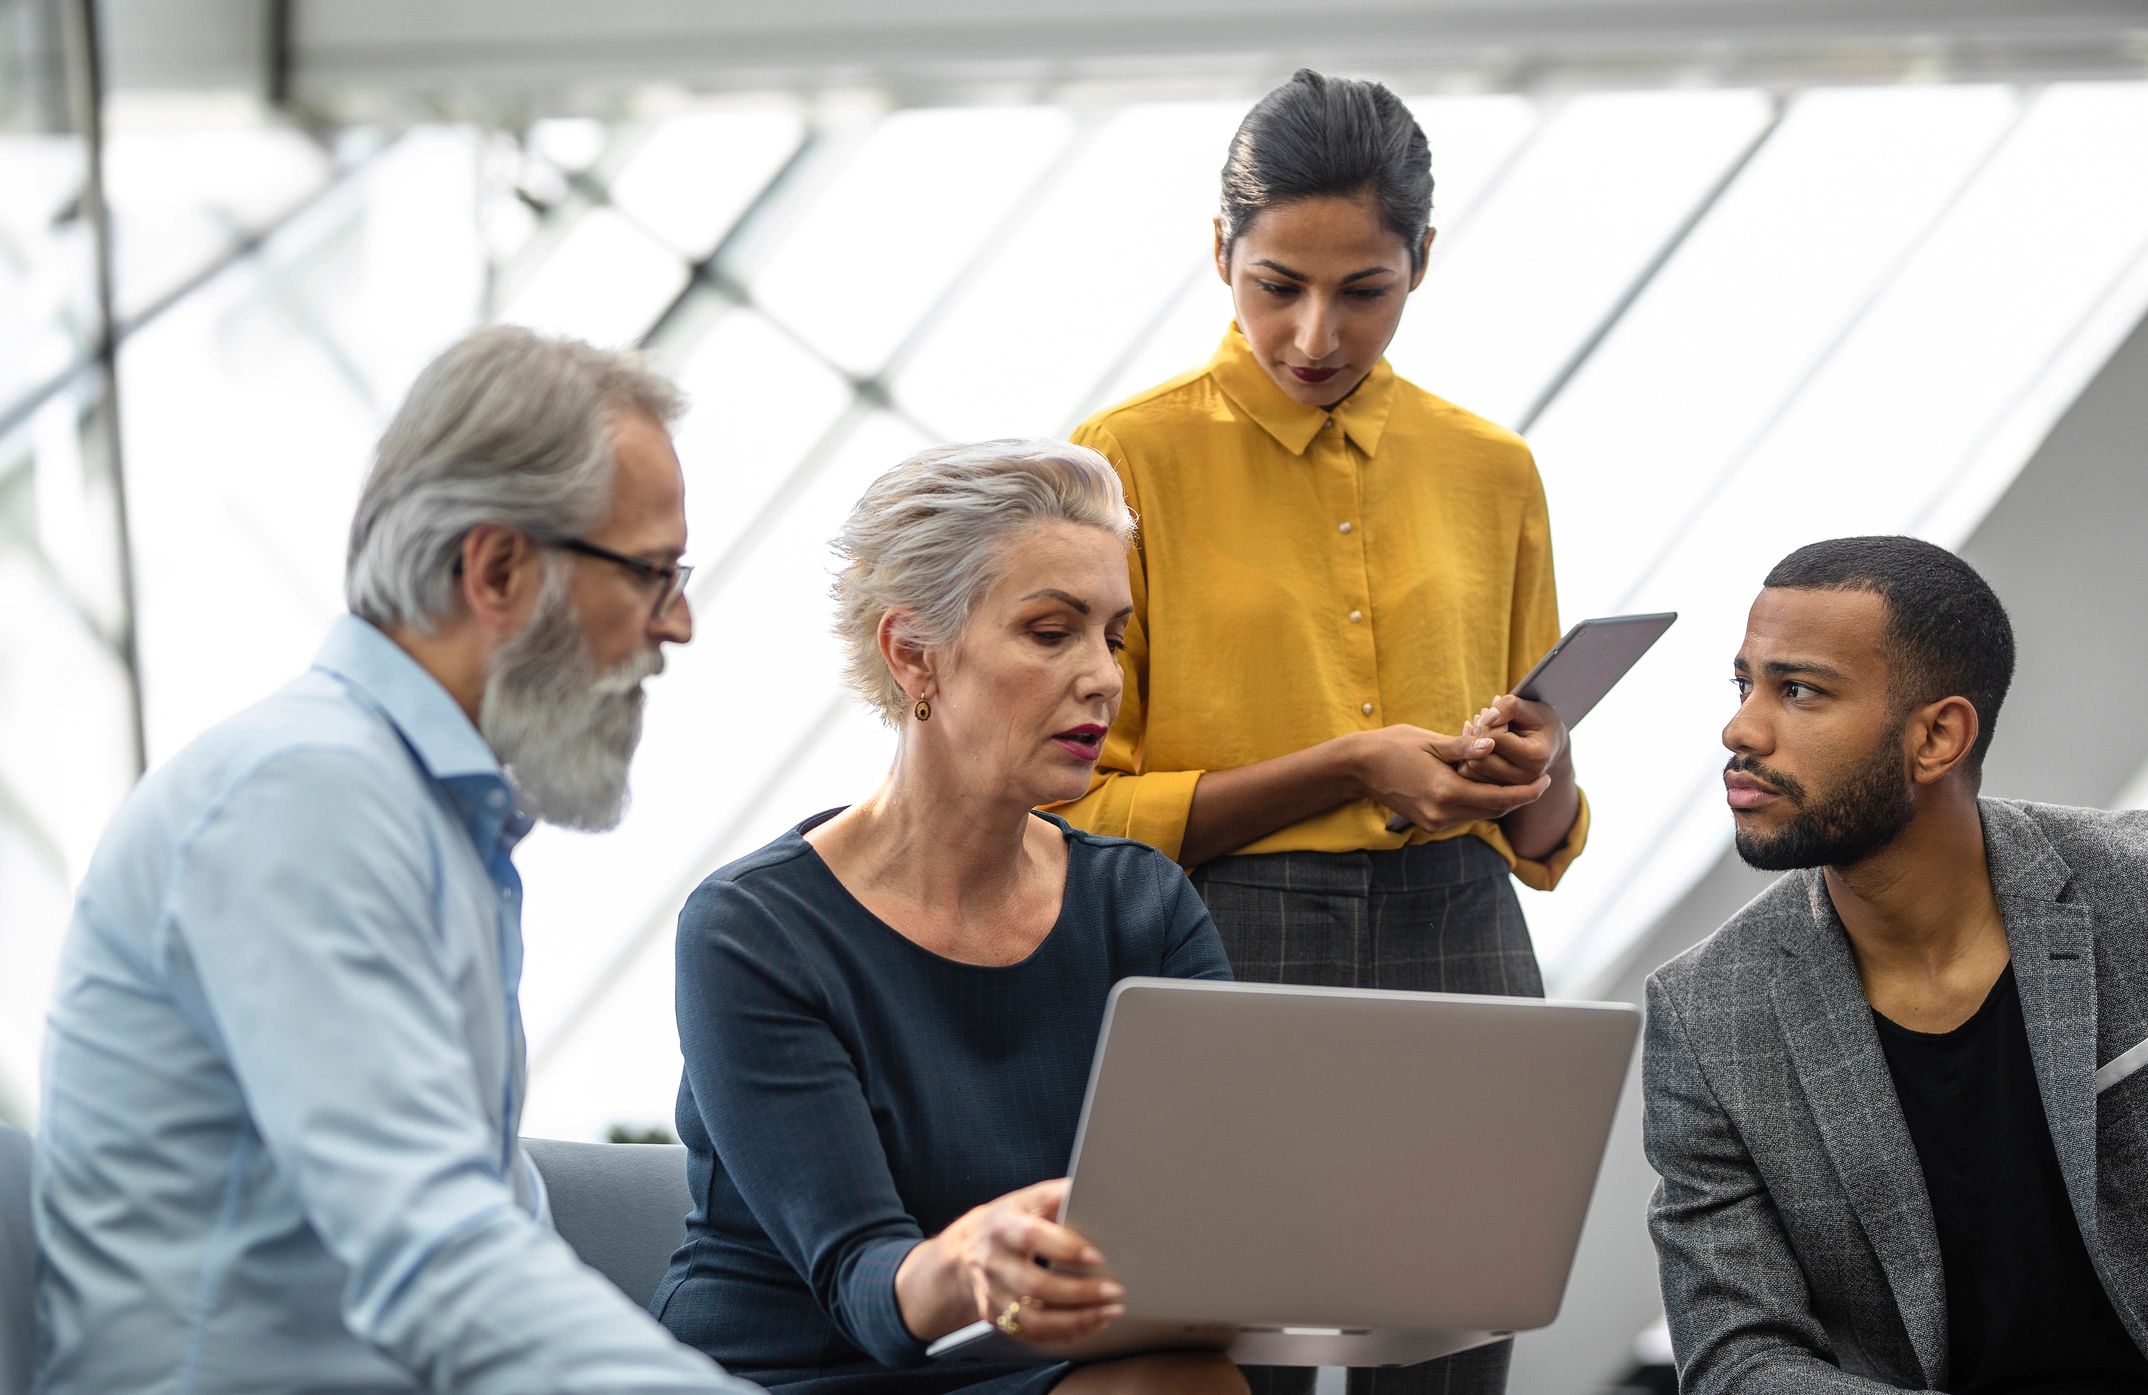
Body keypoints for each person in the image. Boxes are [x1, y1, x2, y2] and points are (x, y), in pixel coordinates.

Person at [33, 326, 759, 1394]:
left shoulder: (425, 816)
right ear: (499, 568)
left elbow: (478, 1227)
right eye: (653, 573)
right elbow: (434, 1254)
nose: (679, 624)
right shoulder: (304, 799)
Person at [1052, 68, 1586, 1395]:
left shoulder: (1492, 469)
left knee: (1457, 1348)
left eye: (1365, 291)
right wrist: (1348, 762)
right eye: (1275, 282)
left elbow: (1545, 811)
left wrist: (1542, 773)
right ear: (1219, 250)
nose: (1312, 332)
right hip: (1226, 937)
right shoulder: (1119, 464)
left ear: (1423, 266)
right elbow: (1075, 804)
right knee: (1237, 1359)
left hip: (1466, 928)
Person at [653, 440, 1245, 1395]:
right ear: (913, 653)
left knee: (1188, 1376)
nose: (1101, 676)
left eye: (1115, 637)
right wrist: (972, 1260)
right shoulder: (753, 931)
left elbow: (1218, 1212)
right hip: (792, 1373)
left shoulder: (1142, 904)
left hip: (1039, 1363)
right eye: (1053, 632)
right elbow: (862, 1282)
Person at [1644, 536, 2148, 1393]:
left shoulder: (2131, 892)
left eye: (1797, 690)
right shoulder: (1707, 1012)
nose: (1740, 728)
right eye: (1745, 684)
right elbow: (1739, 1356)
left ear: (1938, 736)